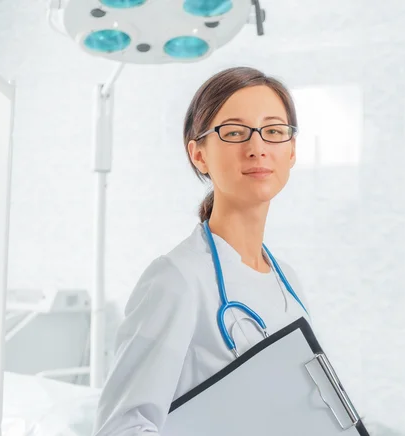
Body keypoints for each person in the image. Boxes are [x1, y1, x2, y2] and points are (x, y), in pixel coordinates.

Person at [92, 66, 312, 436]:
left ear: (291, 152)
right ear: (199, 155)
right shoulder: (177, 279)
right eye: (235, 132)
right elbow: (120, 428)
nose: (257, 147)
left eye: (274, 131)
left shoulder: (286, 280)